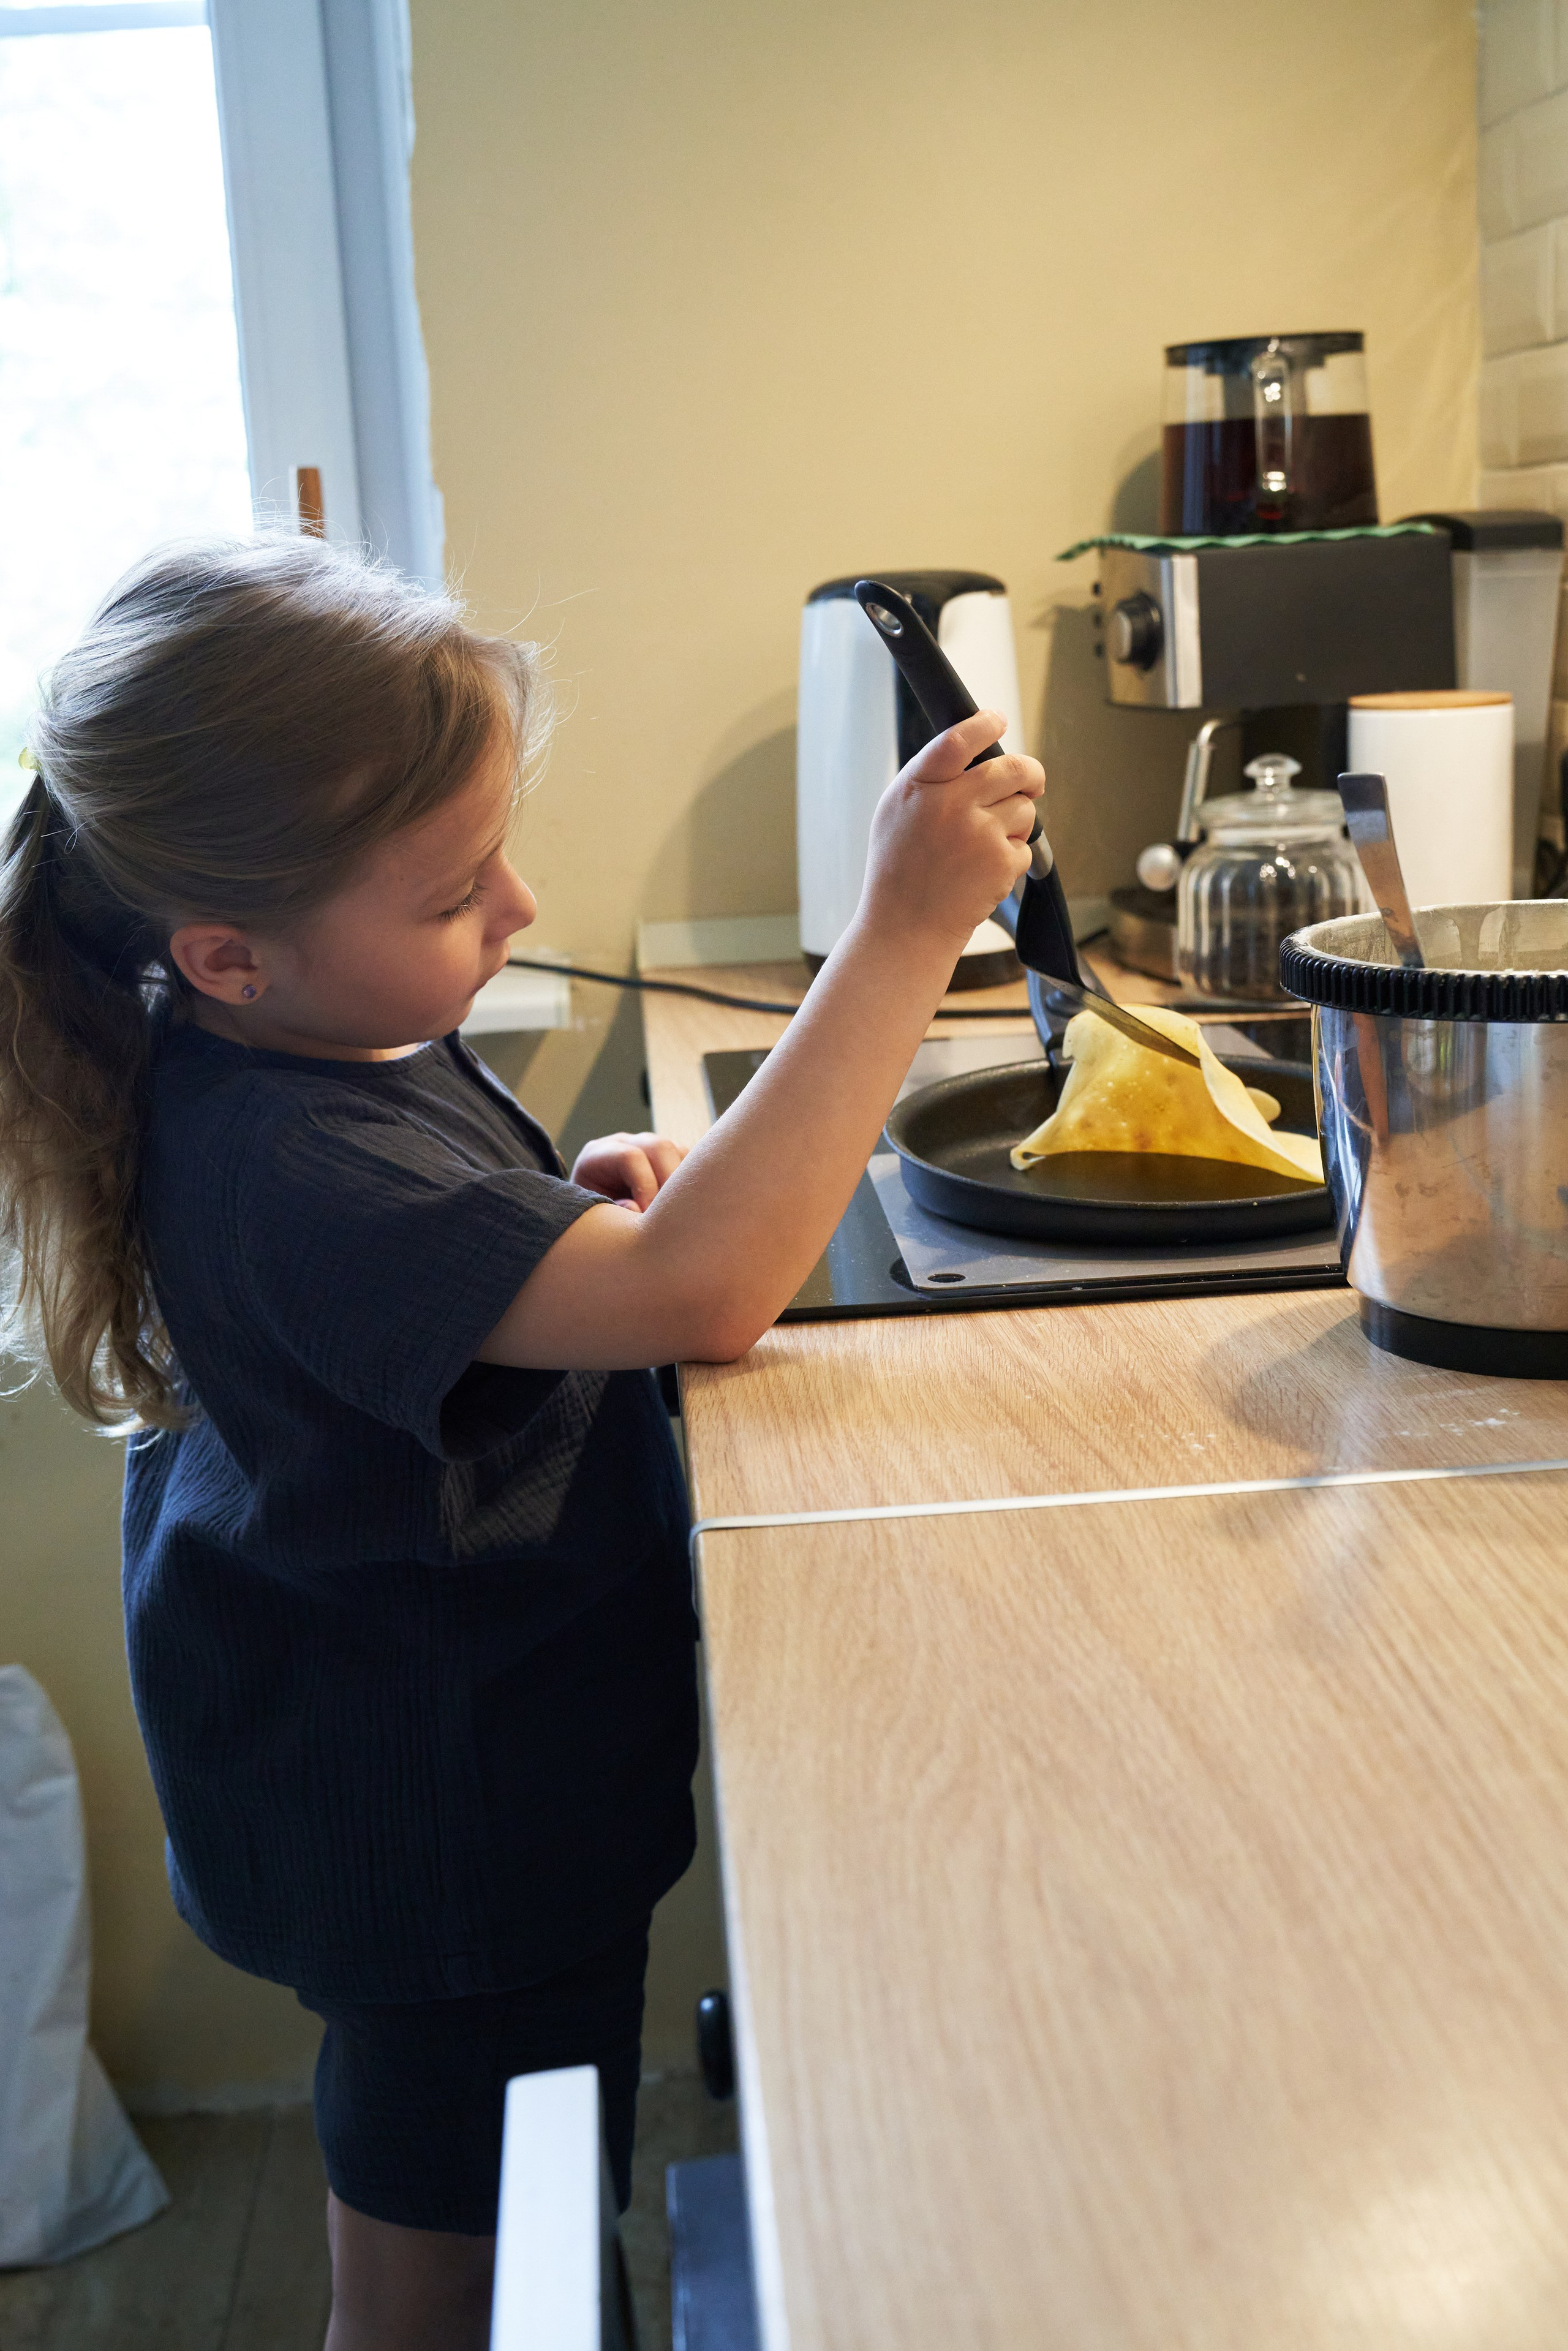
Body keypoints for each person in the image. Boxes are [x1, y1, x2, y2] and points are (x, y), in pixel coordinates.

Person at [0, 535, 1039, 2350]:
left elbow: (502, 1290)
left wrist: (558, 1233)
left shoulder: (302, 1059)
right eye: (455, 890)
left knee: (524, 2210)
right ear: (231, 954)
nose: (520, 907)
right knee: (449, 2285)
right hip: (440, 1821)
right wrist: (902, 928)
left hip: (448, 1779)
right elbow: (709, 1295)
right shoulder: (292, 1150)